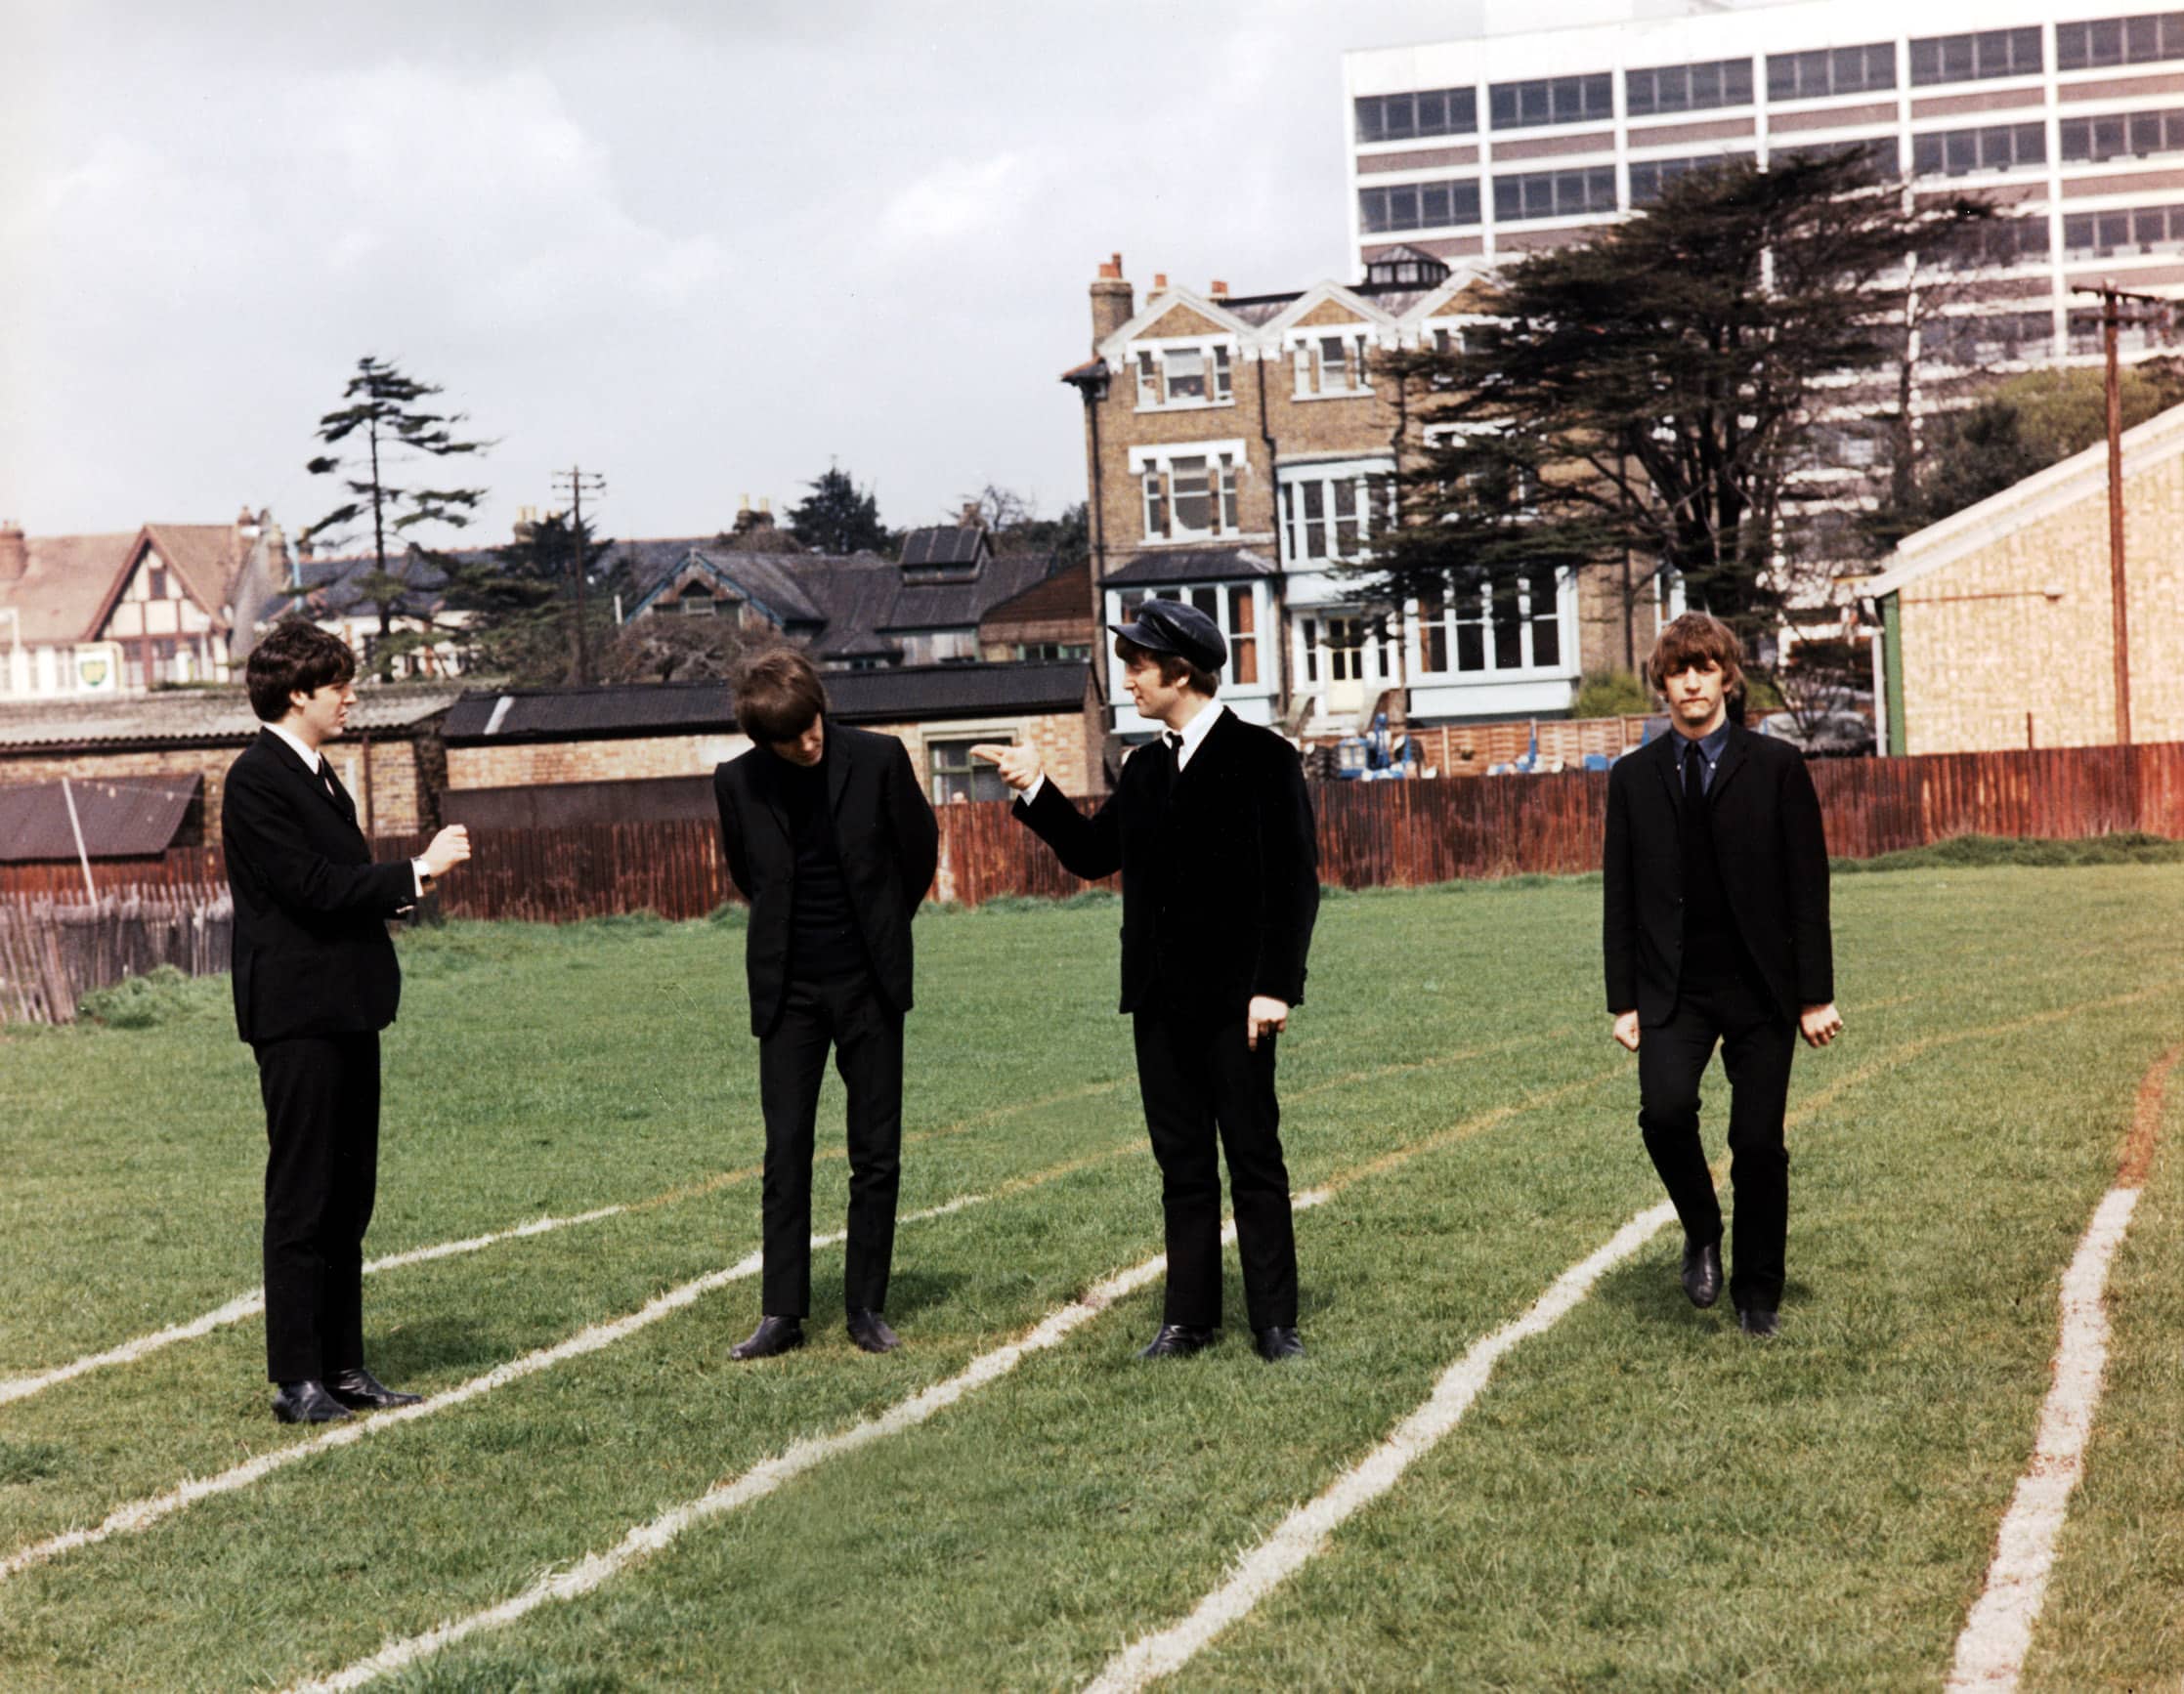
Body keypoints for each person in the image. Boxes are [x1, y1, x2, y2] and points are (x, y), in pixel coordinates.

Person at [973, 599, 1319, 1363]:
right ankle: (1187, 1319)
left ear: (1181, 672)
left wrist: (1275, 987)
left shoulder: (1262, 758)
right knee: (1182, 1165)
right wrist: (1035, 788)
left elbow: (1293, 885)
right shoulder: (1143, 767)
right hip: (1158, 1002)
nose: (1126, 678)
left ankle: (1273, 1323)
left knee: (1253, 1157)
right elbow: (1094, 856)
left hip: (1238, 1005)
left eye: (1137, 664)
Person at [222, 620, 471, 1422]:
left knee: (347, 1195)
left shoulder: (321, 775)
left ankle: (345, 1367)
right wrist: (417, 870)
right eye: (339, 685)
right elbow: (311, 888)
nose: (351, 696)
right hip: (297, 1015)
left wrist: (401, 885)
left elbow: (339, 885)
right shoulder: (257, 779)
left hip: (346, 1007)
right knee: (303, 1197)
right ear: (298, 693)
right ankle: (298, 1382)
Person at [1603, 612, 1842, 1338]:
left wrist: (1814, 995)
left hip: (1760, 991)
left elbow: (1807, 885)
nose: (1692, 683)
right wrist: (1623, 1001)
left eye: (1705, 669)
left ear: (1727, 678)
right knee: (1664, 1113)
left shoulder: (1774, 767)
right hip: (1672, 990)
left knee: (1757, 1142)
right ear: (1663, 686)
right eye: (1679, 672)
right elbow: (1621, 896)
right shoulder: (1632, 778)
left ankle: (1757, 1293)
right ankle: (1701, 1228)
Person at [713, 649, 939, 1360]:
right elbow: (748, 874)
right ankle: (781, 1314)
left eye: (813, 727)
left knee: (876, 1153)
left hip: (869, 983)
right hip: (789, 993)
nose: (809, 743)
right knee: (786, 1154)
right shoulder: (736, 782)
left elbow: (918, 851)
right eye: (791, 739)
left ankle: (865, 1307)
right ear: (762, 740)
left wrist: (876, 927)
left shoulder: (879, 759)